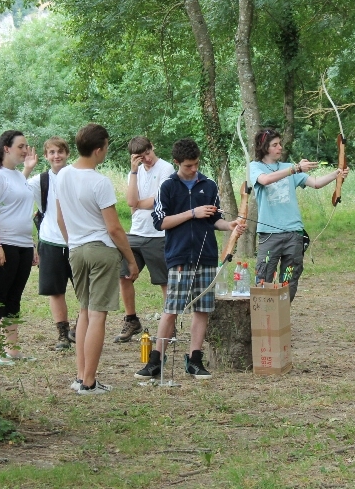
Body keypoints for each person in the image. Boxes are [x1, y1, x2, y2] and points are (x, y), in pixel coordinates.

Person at [134, 138, 244, 380]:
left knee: (202, 308)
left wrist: (230, 226)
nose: (194, 169)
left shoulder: (209, 184)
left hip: (205, 256)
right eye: (188, 166)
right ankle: (156, 360)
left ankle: (194, 359)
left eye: (196, 164)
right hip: (180, 255)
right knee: (171, 308)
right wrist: (192, 213)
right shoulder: (167, 186)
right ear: (177, 163)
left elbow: (214, 219)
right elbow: (161, 221)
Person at [55, 123, 139, 395]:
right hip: (101, 250)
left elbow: (60, 217)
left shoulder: (62, 175)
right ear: (98, 149)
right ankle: (90, 381)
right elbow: (114, 228)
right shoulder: (99, 181)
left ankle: (80, 376)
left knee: (84, 312)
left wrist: (73, 243)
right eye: (106, 146)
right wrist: (131, 259)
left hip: (76, 250)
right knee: (97, 316)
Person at [250, 127, 349, 301]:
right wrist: (295, 169)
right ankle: (263, 321)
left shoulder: (288, 167)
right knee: (263, 278)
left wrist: (337, 174)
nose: (280, 147)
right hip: (269, 235)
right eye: (275, 145)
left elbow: (316, 183)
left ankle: (281, 319)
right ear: (264, 147)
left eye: (280, 144)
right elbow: (265, 180)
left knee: (289, 280)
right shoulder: (256, 167)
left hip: (293, 234)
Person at [0, 130, 39, 364]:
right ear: (6, 148)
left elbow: (20, 209)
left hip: (22, 244)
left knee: (14, 297)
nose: (26, 150)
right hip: (1, 244)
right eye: (21, 146)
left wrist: (31, 245)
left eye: (26, 146)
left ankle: (12, 350)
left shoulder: (18, 176)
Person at [115, 136, 175, 343]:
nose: (146, 159)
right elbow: (131, 200)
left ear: (153, 147)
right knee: (124, 276)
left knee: (164, 281)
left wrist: (138, 204)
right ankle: (131, 319)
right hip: (136, 232)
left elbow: (159, 201)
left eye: (148, 153)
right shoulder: (136, 172)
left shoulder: (166, 169)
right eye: (141, 157)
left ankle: (170, 324)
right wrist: (133, 171)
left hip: (159, 233)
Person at [26, 137, 75, 350]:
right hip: (50, 240)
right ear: (46, 156)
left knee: (87, 290)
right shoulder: (40, 180)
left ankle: (80, 328)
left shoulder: (77, 176)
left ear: (67, 153)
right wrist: (27, 169)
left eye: (60, 151)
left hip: (78, 241)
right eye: (52, 152)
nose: (57, 156)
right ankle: (63, 333)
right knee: (56, 291)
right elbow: (18, 192)